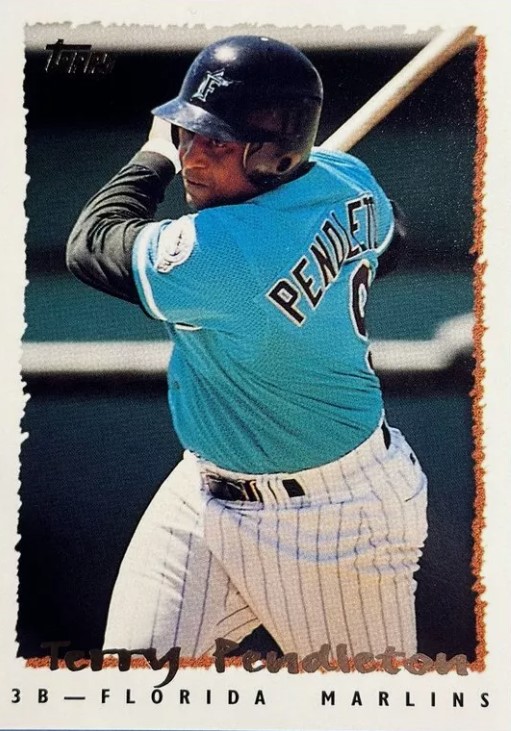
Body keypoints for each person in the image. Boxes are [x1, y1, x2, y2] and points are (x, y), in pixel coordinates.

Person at [67, 35, 428, 660]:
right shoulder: (349, 179)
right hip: (200, 493)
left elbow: (92, 243)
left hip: (334, 518)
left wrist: (153, 154)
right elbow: (390, 238)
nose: (191, 158)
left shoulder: (220, 254)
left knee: (367, 708)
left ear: (275, 158)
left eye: (218, 143)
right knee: (129, 687)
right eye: (185, 135)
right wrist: (311, 241)